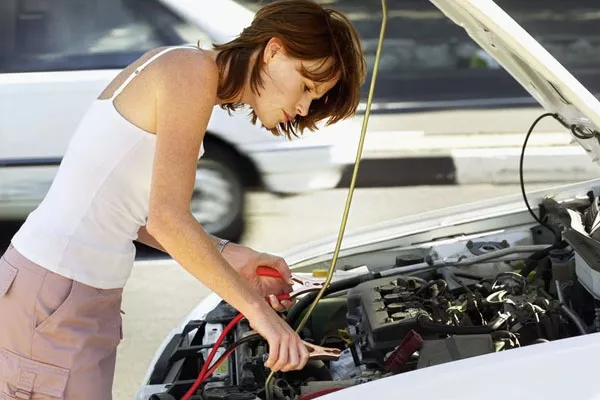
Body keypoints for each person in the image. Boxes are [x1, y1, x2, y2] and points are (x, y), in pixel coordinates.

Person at [0, 0, 366, 398]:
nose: (303, 107)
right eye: (307, 86)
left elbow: (128, 212)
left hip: (71, 295)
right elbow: (167, 220)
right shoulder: (189, 72)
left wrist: (231, 254)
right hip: (54, 296)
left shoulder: (183, 68)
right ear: (274, 51)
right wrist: (263, 317)